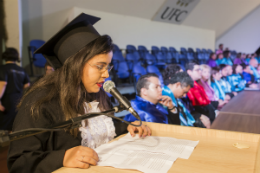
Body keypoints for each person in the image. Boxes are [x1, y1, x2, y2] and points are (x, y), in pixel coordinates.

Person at [8, 13, 151, 173]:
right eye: (100, 66)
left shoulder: (98, 94)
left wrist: (127, 128)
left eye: (108, 66)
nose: (106, 75)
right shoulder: (40, 101)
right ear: (75, 64)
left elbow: (101, 131)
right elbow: (19, 163)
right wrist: (62, 158)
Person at [0, 48, 30, 131]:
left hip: (6, 102)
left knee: (4, 129)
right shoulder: (22, 70)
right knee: (14, 128)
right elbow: (27, 87)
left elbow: (3, 84)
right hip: (18, 101)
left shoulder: (2, 69)